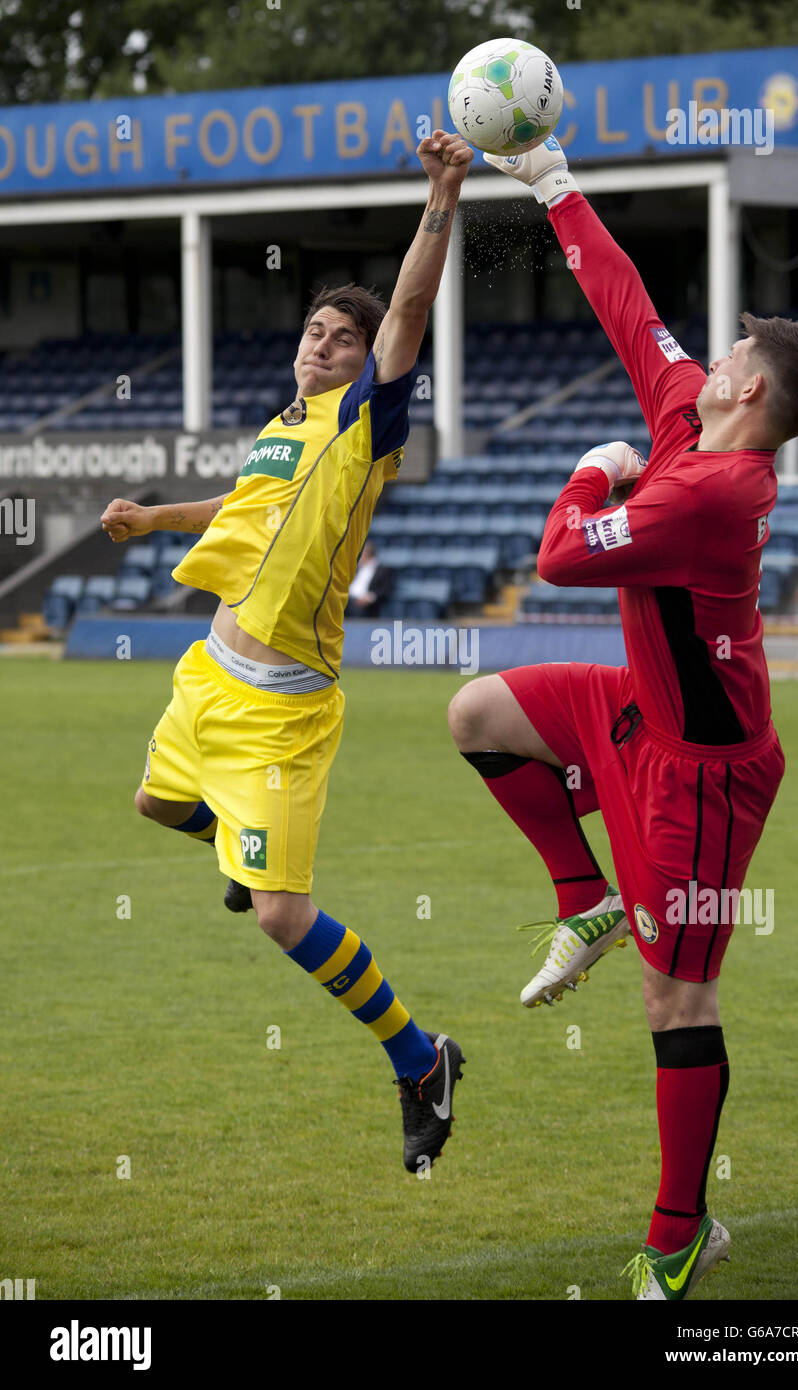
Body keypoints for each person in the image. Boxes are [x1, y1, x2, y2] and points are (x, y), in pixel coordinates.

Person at [448, 137, 798, 1298]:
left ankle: (680, 1233)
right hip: (638, 714)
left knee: (678, 994)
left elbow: (561, 555)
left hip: (710, 778)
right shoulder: (692, 423)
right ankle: (586, 899)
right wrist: (551, 180)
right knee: (477, 711)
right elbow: (627, 305)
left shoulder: (714, 489)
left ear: (749, 390)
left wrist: (588, 470)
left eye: (727, 351)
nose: (707, 352)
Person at [100, 129, 474, 1174]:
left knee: (279, 915)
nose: (322, 344)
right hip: (205, 674)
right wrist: (151, 517)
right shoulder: (288, 419)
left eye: (340, 340)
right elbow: (240, 503)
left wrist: (440, 196)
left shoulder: (364, 422)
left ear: (367, 367)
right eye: (313, 330)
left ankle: (420, 1059)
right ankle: (233, 841)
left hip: (281, 702)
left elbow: (405, 311)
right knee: (157, 806)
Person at [346, 541, 392, 617]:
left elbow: (385, 590)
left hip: (366, 602)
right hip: (349, 598)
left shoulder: (383, 570)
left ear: (367, 554)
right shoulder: (356, 567)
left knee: (358, 608)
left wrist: (369, 598)